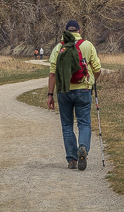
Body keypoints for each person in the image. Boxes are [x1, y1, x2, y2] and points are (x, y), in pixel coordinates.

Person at [47, 20, 101, 170]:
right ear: (79, 30)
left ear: (65, 31)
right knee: (84, 123)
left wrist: (50, 94)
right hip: (83, 90)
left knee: (67, 125)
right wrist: (91, 82)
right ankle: (83, 147)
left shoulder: (59, 47)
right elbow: (97, 69)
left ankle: (72, 160)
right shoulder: (87, 45)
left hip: (64, 91)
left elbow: (52, 73)